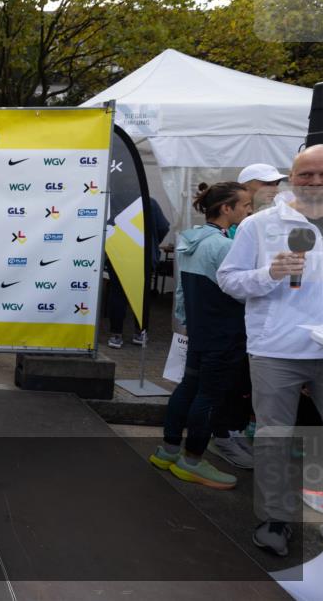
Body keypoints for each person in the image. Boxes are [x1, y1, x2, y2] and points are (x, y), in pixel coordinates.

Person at [218, 144, 323, 556]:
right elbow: (229, 279)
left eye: (322, 174)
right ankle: (277, 518)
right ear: (292, 177)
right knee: (275, 436)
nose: (314, 181)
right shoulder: (259, 225)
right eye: (306, 174)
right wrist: (270, 273)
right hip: (277, 346)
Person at [149, 182, 253, 489]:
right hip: (223, 333)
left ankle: (167, 452)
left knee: (189, 387)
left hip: (199, 330)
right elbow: (245, 290)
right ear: (226, 208)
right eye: (246, 206)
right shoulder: (224, 246)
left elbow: (182, 291)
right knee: (210, 395)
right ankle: (192, 461)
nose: (250, 211)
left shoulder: (191, 239)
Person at [106, 196, 170, 349]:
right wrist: (152, 243)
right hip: (143, 256)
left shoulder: (112, 200)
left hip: (118, 255)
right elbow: (163, 227)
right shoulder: (149, 201)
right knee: (141, 296)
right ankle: (140, 333)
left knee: (117, 294)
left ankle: (116, 335)